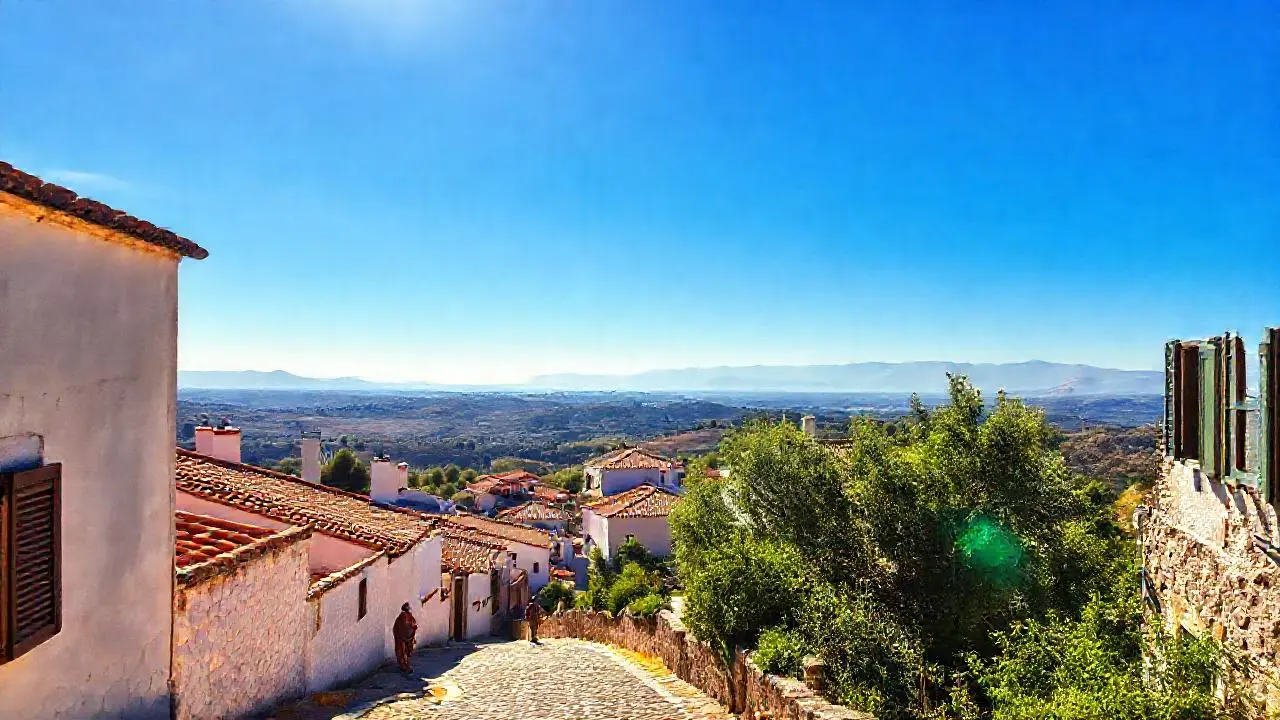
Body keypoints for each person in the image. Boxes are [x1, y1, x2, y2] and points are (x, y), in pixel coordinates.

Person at [393, 602, 418, 672]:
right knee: (401, 651)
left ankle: (405, 665)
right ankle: (404, 666)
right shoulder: (401, 618)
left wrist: (413, 631)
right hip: (401, 638)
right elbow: (398, 629)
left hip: (408, 637)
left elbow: (413, 624)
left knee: (406, 652)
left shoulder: (409, 616)